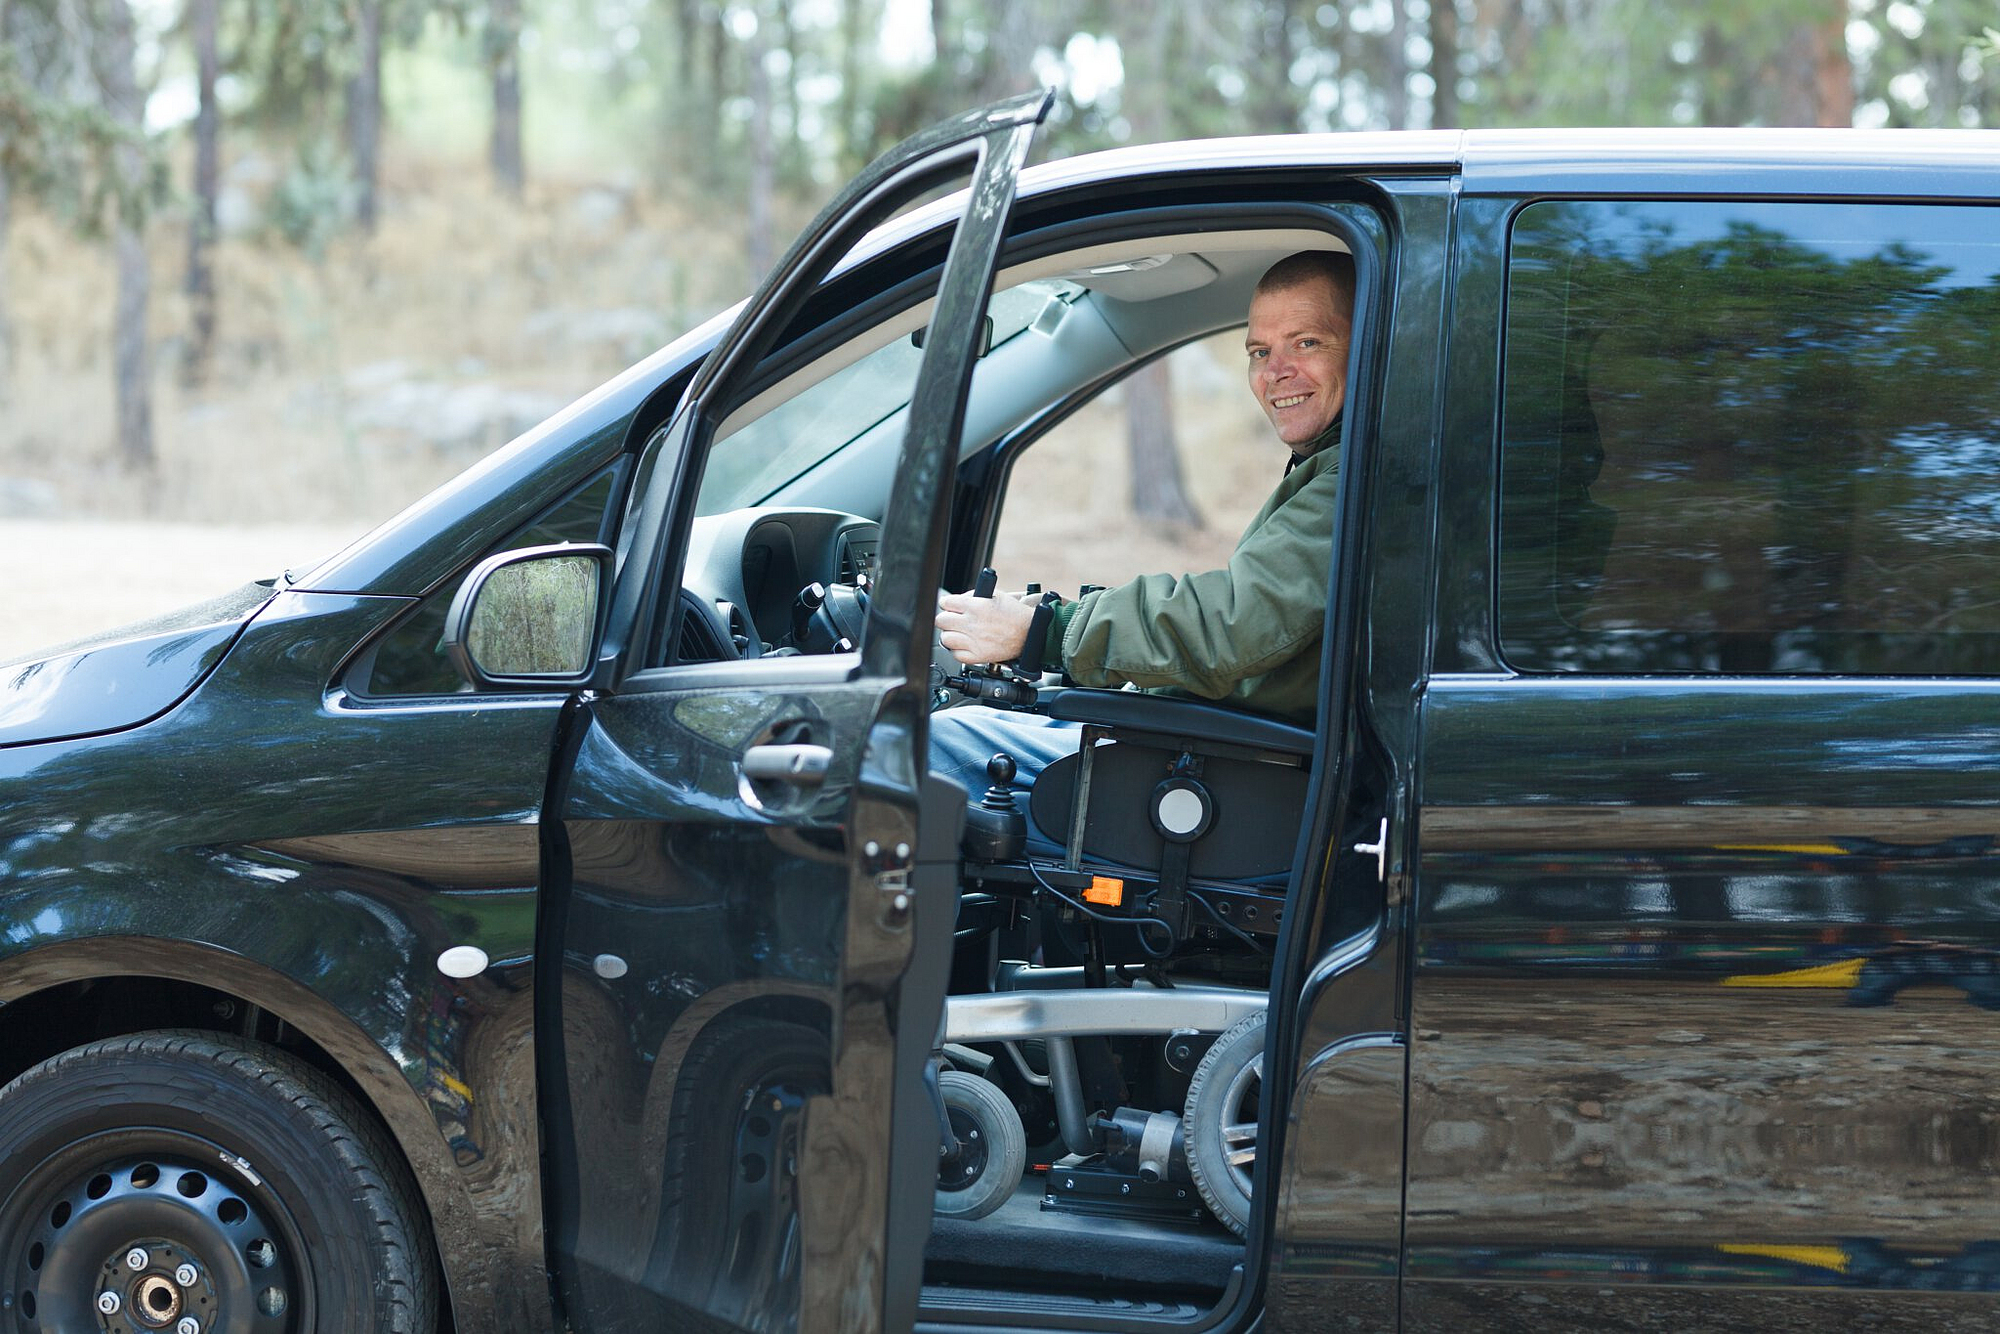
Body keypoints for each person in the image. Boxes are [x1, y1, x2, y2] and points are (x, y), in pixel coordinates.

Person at [930, 249, 1354, 826]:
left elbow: (1232, 624)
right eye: (1260, 351)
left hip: (1229, 770)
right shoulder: (1333, 466)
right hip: (1217, 743)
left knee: (931, 743)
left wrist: (1047, 630)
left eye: (1306, 342)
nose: (1275, 370)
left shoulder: (1353, 474)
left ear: (1367, 347)